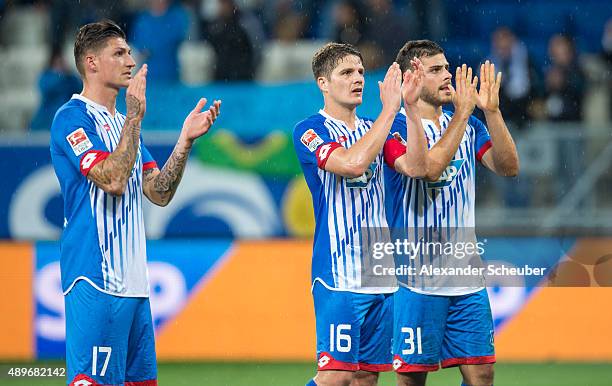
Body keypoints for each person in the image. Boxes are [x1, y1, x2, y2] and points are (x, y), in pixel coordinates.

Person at [49, 20, 221, 385]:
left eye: (129, 52)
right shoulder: (71, 119)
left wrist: (185, 141)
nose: (131, 60)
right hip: (96, 279)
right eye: (120, 53)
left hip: (134, 284)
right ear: (91, 63)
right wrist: (134, 118)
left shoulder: (122, 123)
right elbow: (111, 179)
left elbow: (158, 192)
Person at [383, 40, 519, 386]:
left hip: (466, 275)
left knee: (482, 374)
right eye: (436, 70)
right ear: (413, 76)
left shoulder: (470, 126)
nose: (448, 76)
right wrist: (462, 115)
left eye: (446, 67)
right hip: (415, 277)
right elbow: (427, 168)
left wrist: (490, 111)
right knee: (413, 378)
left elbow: (508, 166)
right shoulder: (394, 129)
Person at [292, 42, 423, 386]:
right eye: (346, 72)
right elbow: (351, 164)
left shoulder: (380, 126)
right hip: (339, 273)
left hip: (381, 272)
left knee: (366, 377)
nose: (358, 79)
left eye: (362, 72)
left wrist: (407, 110)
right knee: (335, 376)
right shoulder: (309, 130)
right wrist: (388, 111)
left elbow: (417, 167)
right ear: (323, 82)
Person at [30, 45, 82, 131]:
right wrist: (61, 76)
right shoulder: (47, 77)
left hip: (66, 121)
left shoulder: (70, 79)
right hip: (47, 122)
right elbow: (47, 89)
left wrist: (68, 75)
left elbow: (79, 88)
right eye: (57, 63)